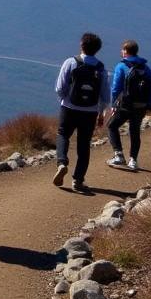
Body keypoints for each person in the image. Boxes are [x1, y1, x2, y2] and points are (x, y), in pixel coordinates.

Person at [52, 33, 109, 193]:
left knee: (63, 135)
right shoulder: (101, 68)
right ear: (97, 49)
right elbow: (105, 95)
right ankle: (78, 180)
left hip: (69, 108)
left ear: (81, 45)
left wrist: (65, 101)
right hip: (90, 112)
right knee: (84, 145)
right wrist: (101, 114)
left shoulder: (71, 62)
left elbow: (59, 88)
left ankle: (62, 162)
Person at [107, 40, 151, 172]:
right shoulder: (145, 68)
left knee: (112, 126)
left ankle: (118, 155)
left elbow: (115, 88)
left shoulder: (121, 66)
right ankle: (133, 160)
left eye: (122, 50)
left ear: (125, 51)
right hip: (141, 106)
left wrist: (113, 105)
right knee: (134, 132)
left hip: (125, 105)